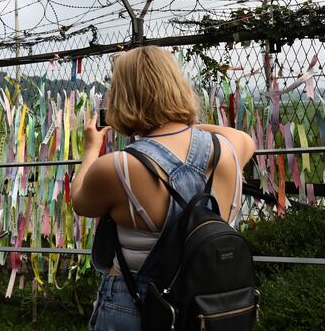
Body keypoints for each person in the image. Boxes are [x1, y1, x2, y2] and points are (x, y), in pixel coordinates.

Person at [71, 46, 255, 330]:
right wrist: (180, 122)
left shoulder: (118, 167)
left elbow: (79, 202)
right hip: (208, 308)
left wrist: (90, 150)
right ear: (177, 87)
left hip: (136, 307)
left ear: (122, 98)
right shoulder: (231, 148)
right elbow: (234, 136)